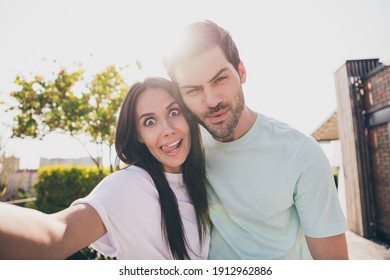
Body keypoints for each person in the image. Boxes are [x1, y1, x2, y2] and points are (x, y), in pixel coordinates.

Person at [163, 20, 348, 259]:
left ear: (241, 72)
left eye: (220, 79)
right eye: (193, 90)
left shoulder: (300, 153)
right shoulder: (181, 149)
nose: (211, 100)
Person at [0, 77, 209, 260]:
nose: (167, 130)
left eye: (174, 112)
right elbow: (57, 234)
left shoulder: (204, 178)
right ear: (138, 136)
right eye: (150, 121)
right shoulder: (128, 186)